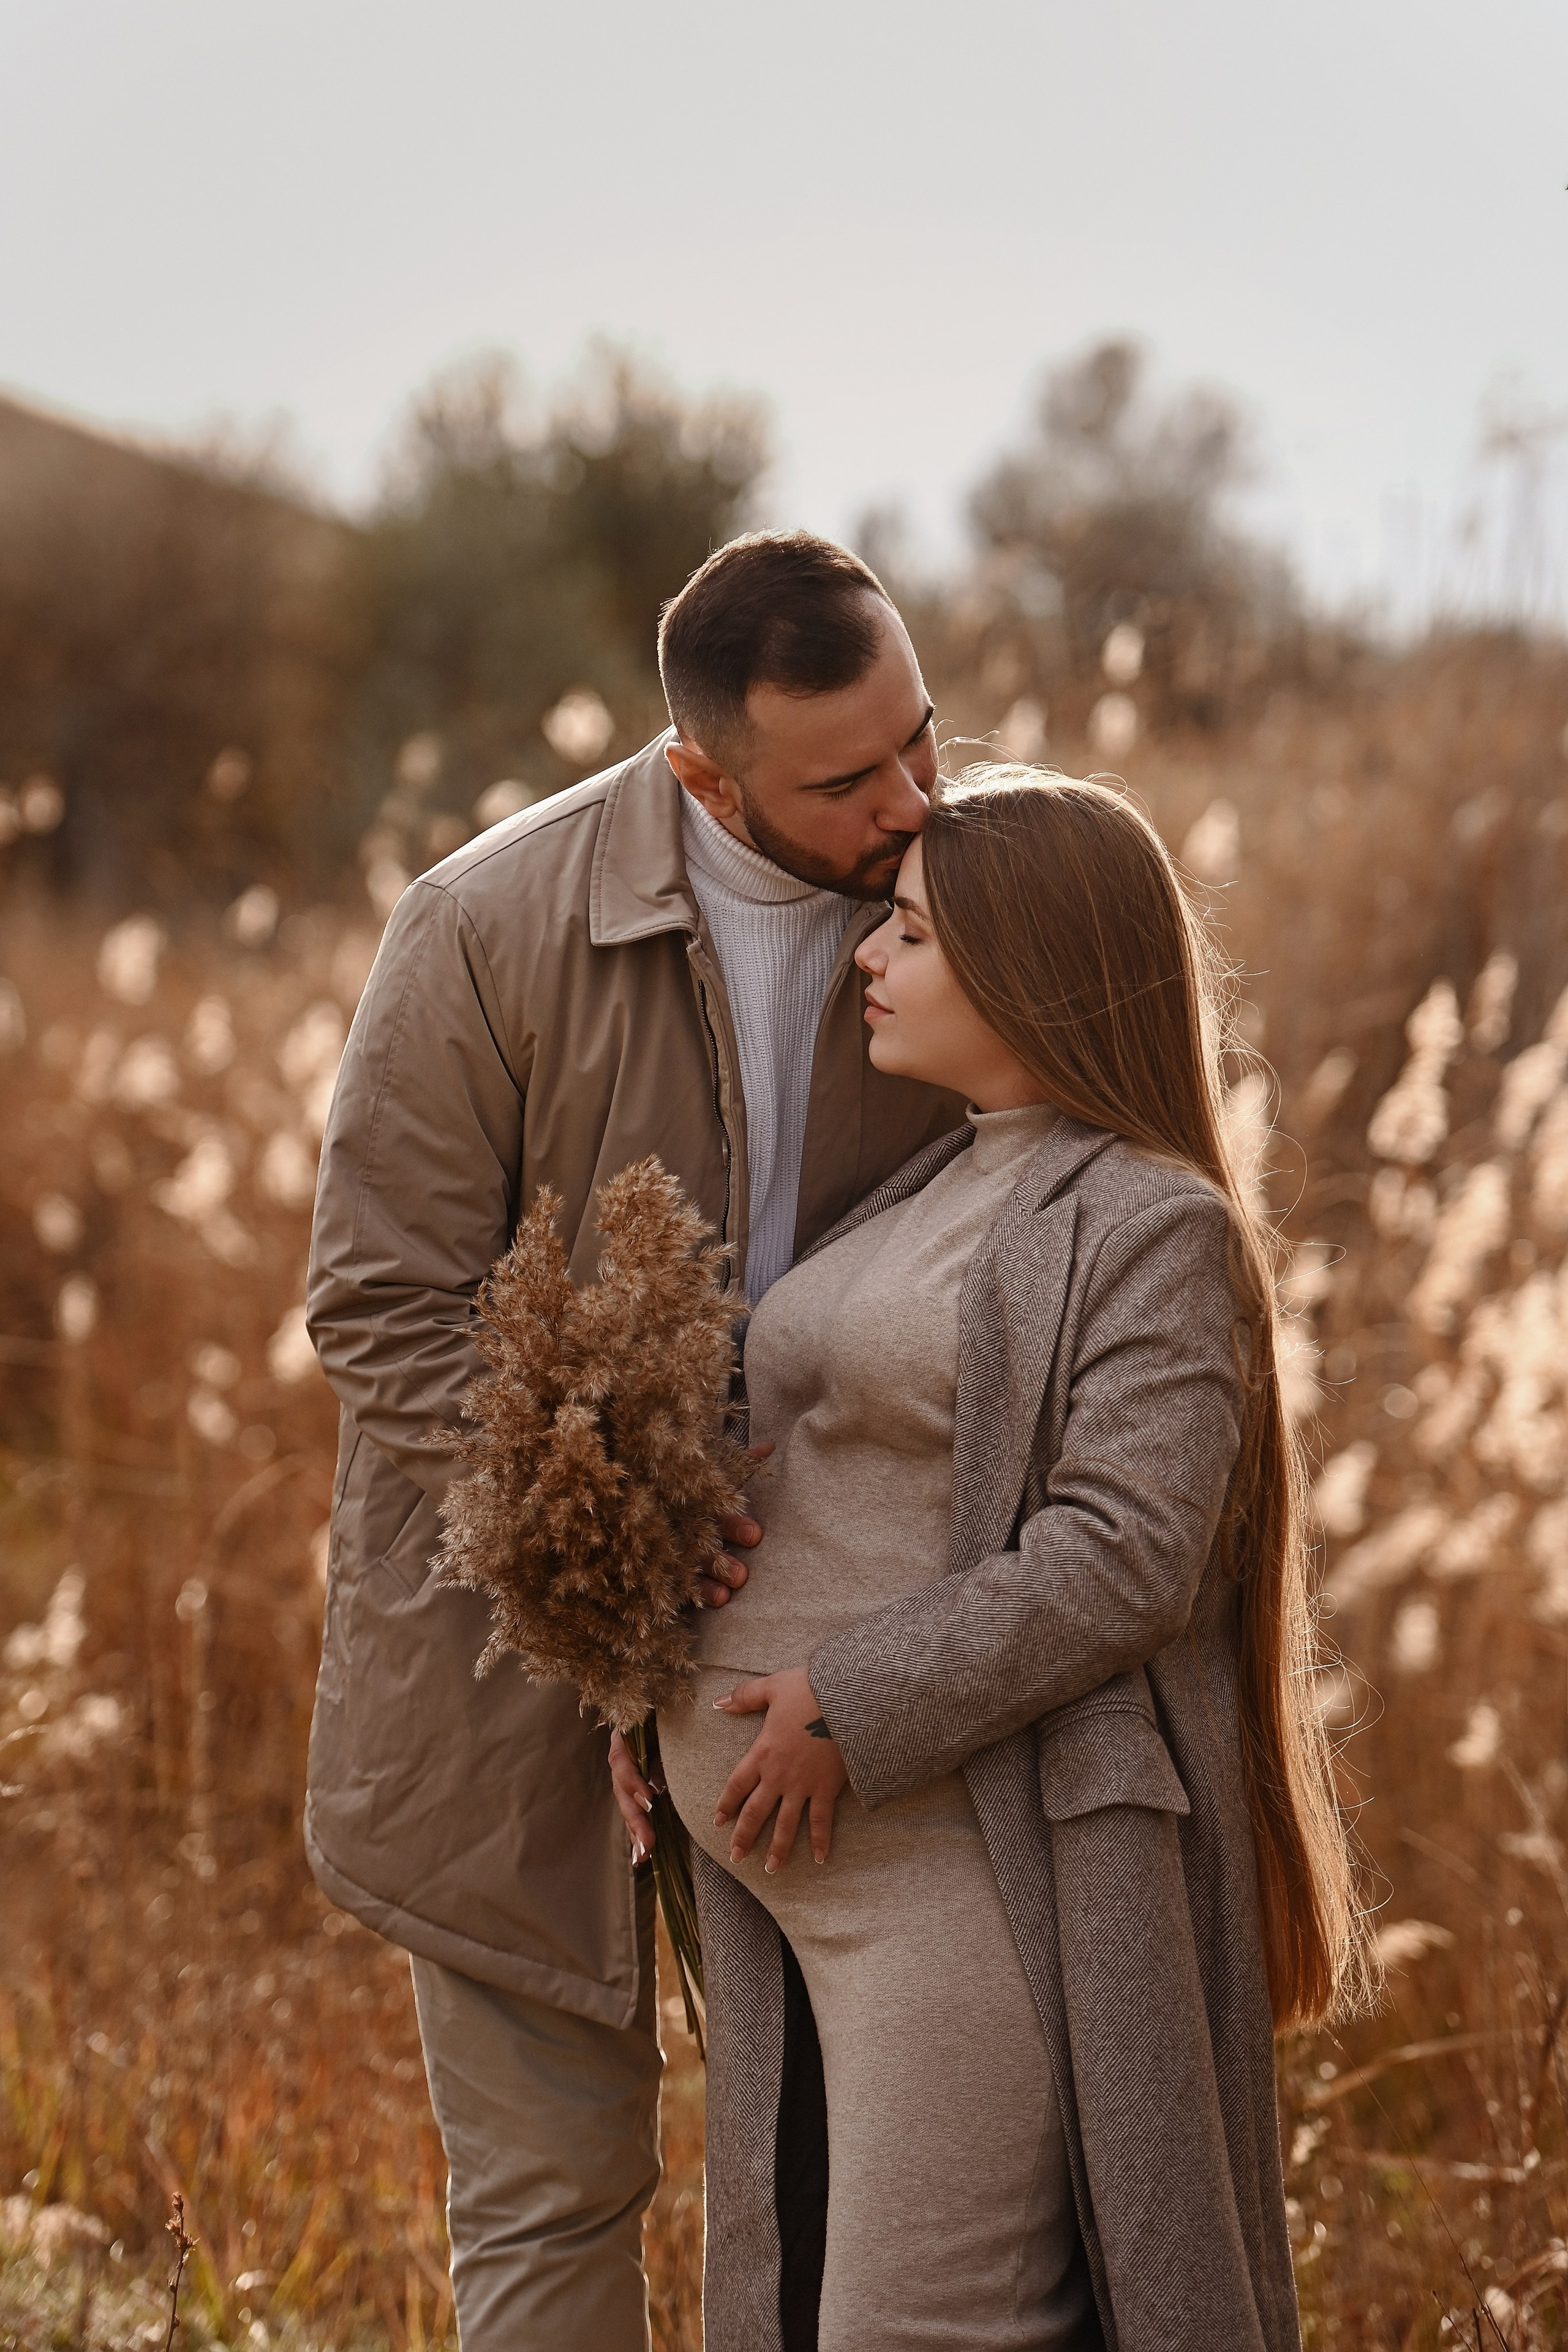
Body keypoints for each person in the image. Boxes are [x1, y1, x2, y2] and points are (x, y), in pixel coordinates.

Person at [304, 532, 962, 2351]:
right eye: (846, 781)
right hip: (511, 1676)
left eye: (924, 735)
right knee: (554, 2198)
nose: (912, 803)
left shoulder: (970, 894)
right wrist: (609, 1564)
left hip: (834, 1675)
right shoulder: (482, 927)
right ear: (703, 774)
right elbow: (380, 1300)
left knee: (860, 2211)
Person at [617, 767, 1369, 2352]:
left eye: (910, 934)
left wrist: (849, 1701)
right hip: (794, 1877)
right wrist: (641, 1689)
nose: (868, 957)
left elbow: (1127, 1554)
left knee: (916, 2327)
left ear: (1032, 966)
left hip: (964, 1871)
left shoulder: (1151, 1225)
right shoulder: (938, 1178)